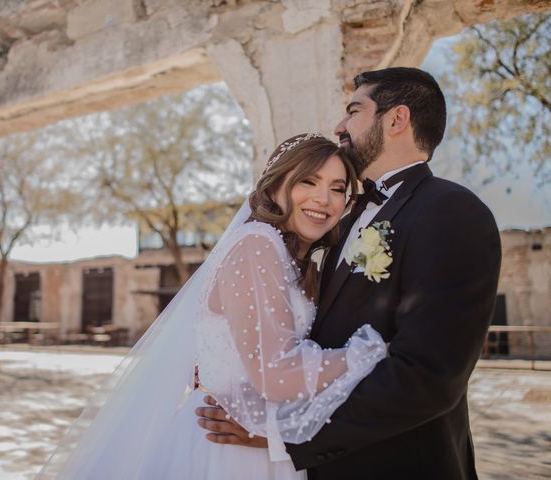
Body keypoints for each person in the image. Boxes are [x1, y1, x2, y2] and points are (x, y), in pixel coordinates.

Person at [196, 67, 502, 479]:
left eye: (354, 110)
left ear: (396, 119)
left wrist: (285, 437)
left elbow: (429, 377)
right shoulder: (342, 218)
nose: (341, 125)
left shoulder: (451, 212)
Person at [37, 134, 387, 480]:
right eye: (308, 181)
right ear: (276, 185)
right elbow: (277, 375)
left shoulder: (287, 255)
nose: (323, 199)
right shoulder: (257, 244)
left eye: (338, 188)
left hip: (260, 441)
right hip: (226, 450)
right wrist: (368, 355)